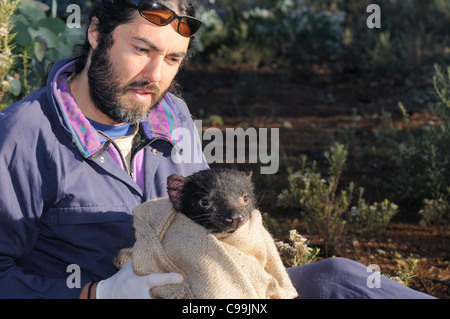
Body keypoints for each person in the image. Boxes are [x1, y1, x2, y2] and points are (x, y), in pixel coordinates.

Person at [0, 0, 435, 299]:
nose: (155, 75)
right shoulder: (25, 133)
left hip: (210, 290)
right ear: (97, 32)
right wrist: (97, 293)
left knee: (339, 278)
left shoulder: (173, 115)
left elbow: (207, 222)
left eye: (173, 59)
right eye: (142, 49)